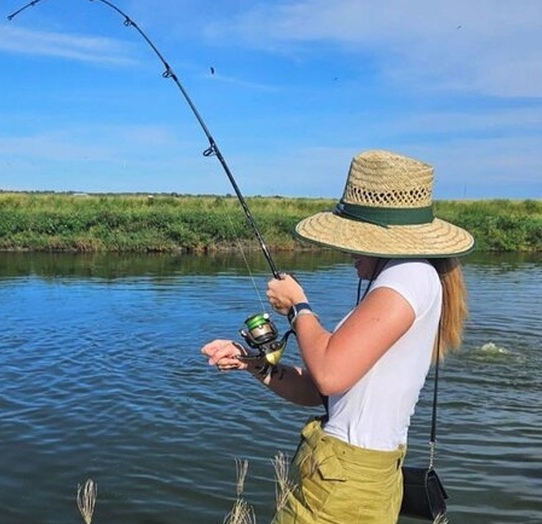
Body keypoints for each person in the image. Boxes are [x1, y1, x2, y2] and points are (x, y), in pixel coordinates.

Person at [201, 149, 474, 524]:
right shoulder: (403, 279)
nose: (347, 251)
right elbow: (320, 390)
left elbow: (329, 372)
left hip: (343, 486)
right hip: (347, 478)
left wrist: (298, 307)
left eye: (354, 239)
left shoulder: (408, 275)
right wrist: (254, 365)